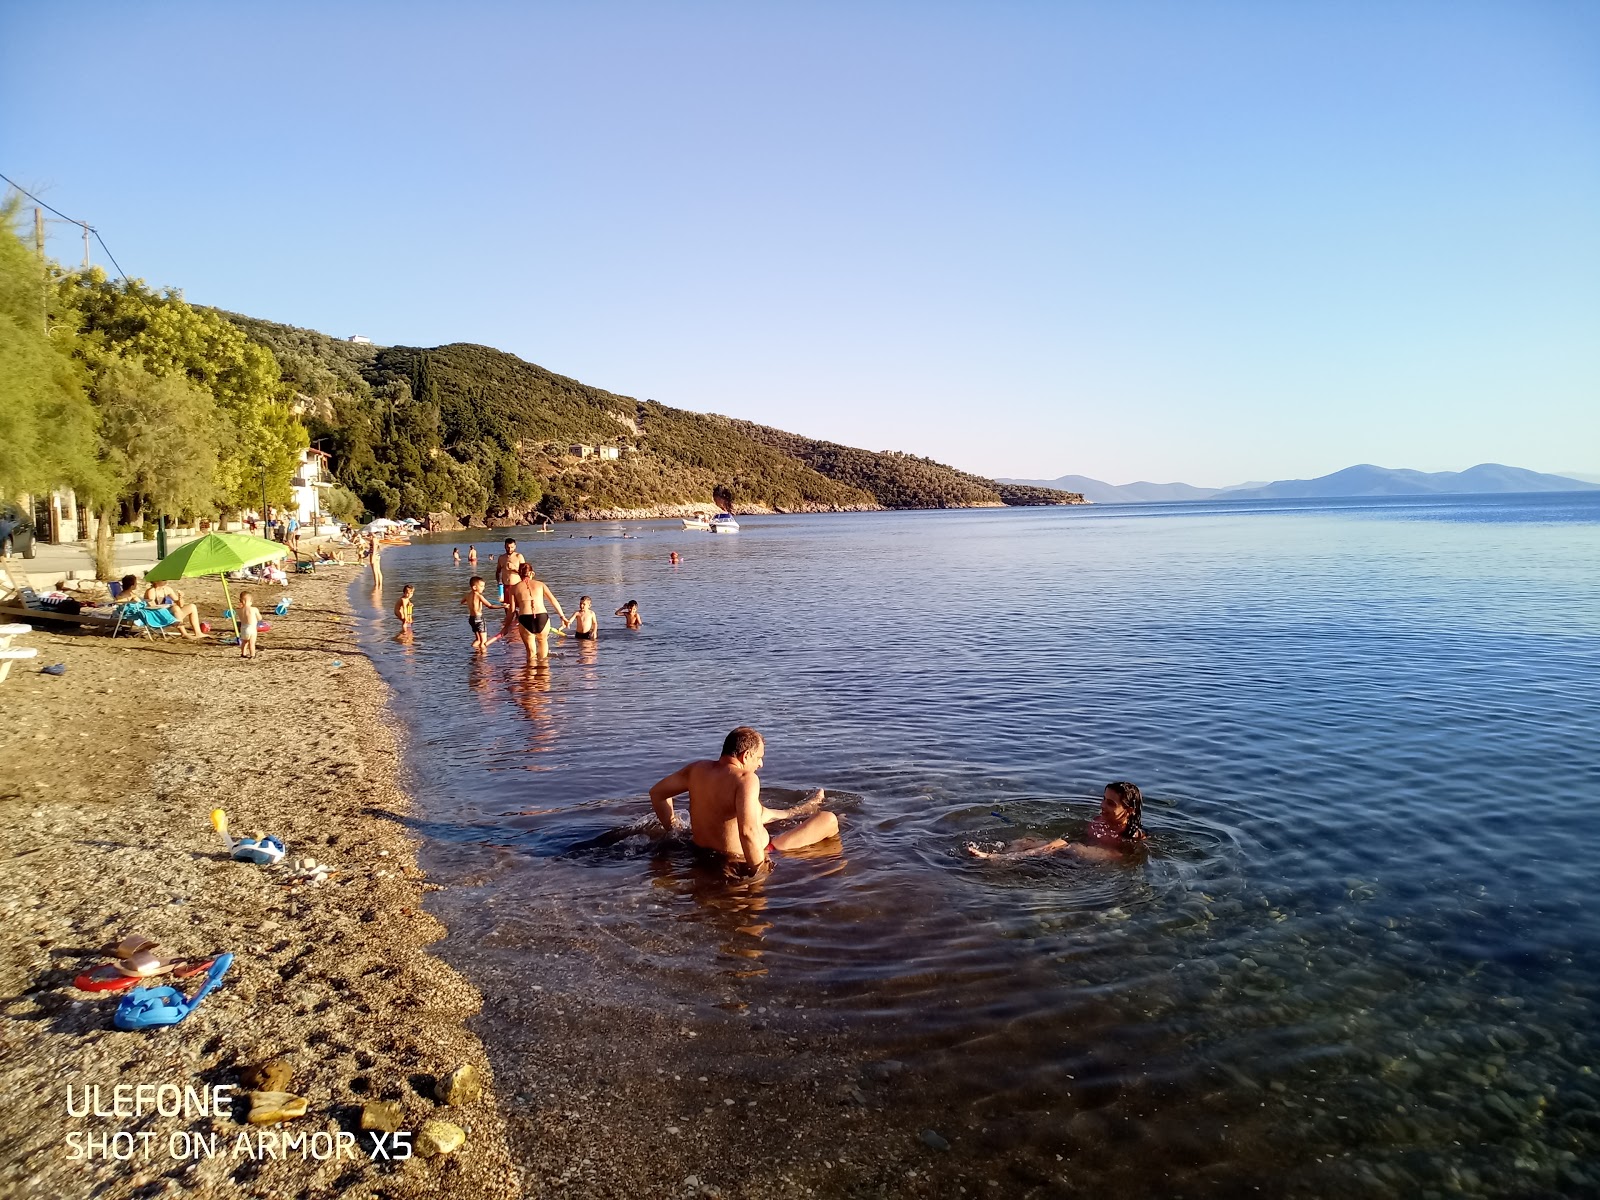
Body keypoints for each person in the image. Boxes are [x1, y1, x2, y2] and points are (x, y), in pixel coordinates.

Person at [649, 727, 839, 875]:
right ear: (745, 755)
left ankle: (803, 808)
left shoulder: (697, 769)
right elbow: (748, 832)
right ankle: (803, 815)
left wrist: (673, 828)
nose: (760, 764)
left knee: (760, 811)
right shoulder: (745, 779)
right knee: (829, 820)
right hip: (746, 855)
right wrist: (759, 872)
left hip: (701, 850)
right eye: (759, 757)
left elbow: (657, 793)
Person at [965, 782, 1148, 862]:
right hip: (1083, 850)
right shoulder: (1098, 821)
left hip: (1109, 857)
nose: (1102, 805)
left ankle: (997, 859)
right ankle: (1002, 861)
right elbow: (1078, 836)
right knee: (1026, 841)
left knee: (1065, 846)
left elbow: (1131, 857)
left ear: (1129, 810)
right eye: (1103, 799)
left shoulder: (1134, 834)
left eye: (1110, 803)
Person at [508, 562, 567, 663]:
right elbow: (553, 601)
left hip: (525, 619)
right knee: (543, 654)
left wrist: (506, 626)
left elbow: (512, 610)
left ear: (519, 574)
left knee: (531, 655)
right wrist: (562, 617)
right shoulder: (540, 585)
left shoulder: (514, 588)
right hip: (542, 618)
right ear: (532, 573)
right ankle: (543, 676)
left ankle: (531, 676)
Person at [460, 575, 490, 654]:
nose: (483, 588)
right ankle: (483, 658)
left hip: (472, 619)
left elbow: (462, 602)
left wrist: (471, 604)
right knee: (483, 641)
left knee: (478, 640)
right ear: (474, 587)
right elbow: (490, 606)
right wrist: (503, 606)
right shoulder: (479, 596)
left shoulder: (467, 595)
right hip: (479, 618)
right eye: (481, 586)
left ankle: (474, 652)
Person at [495, 538, 525, 604]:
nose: (510, 549)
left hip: (517, 586)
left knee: (519, 607)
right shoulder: (501, 558)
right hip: (506, 586)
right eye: (508, 547)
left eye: (512, 547)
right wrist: (499, 582)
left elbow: (525, 573)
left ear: (515, 546)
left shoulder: (519, 556)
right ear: (505, 546)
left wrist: (514, 568)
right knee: (507, 607)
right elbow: (498, 571)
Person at [238, 590, 262, 659]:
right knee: (252, 643)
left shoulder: (239, 610)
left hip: (243, 628)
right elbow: (259, 618)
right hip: (251, 628)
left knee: (244, 642)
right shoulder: (254, 609)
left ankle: (243, 654)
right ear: (250, 601)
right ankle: (252, 655)